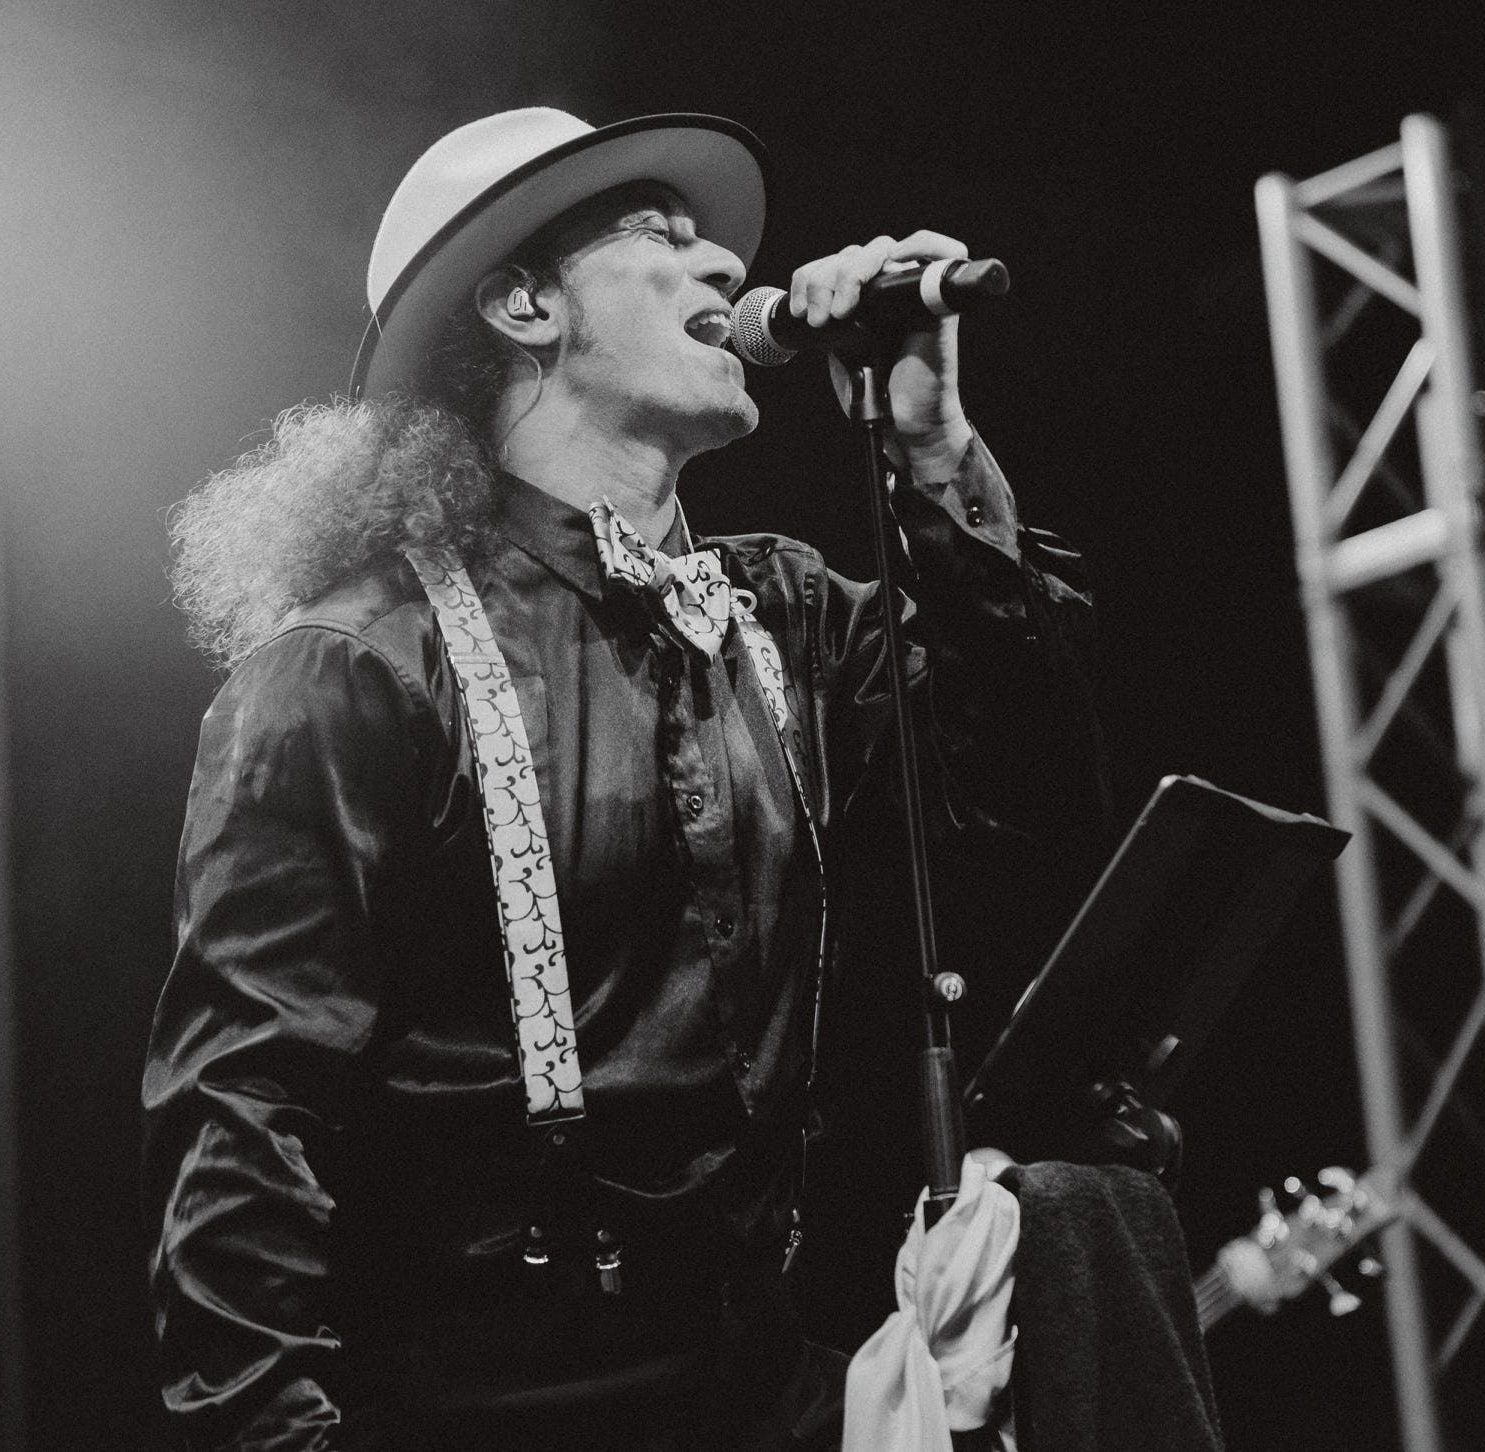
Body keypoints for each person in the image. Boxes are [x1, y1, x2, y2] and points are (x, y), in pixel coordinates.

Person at [144, 107, 1109, 1451]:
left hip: (760, 1390)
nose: (721, 264)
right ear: (524, 304)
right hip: (477, 1409)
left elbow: (1043, 782)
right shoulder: (363, 669)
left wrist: (933, 446)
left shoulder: (782, 618)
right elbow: (248, 1111)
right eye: (658, 236)